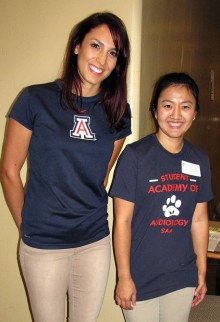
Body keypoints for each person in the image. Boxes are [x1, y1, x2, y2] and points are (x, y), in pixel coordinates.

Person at [0, 12, 131, 322]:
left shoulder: (118, 112)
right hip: (44, 244)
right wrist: (29, 225)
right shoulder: (34, 99)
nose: (102, 58)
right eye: (95, 45)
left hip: (94, 242)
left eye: (112, 52)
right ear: (76, 46)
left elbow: (100, 177)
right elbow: (9, 170)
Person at [109, 72, 213, 322]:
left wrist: (201, 269)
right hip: (140, 276)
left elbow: (199, 219)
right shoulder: (135, 157)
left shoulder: (199, 160)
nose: (176, 115)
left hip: (181, 274)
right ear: (155, 111)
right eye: (167, 106)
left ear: (195, 112)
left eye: (185, 107)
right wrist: (124, 276)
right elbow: (121, 222)